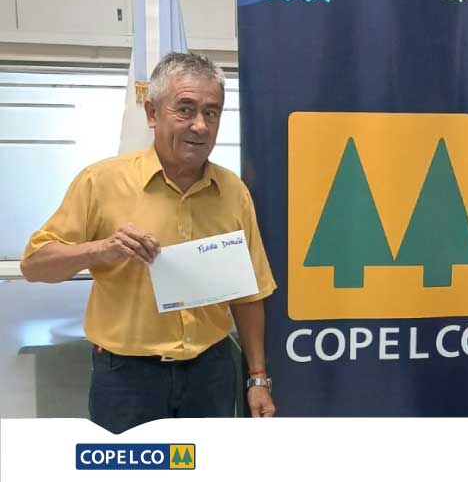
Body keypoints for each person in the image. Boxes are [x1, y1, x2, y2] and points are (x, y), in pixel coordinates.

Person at [21, 52, 277, 432]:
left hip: (211, 373)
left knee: (207, 463)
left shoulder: (233, 192)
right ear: (152, 113)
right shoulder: (100, 182)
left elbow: (249, 294)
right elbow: (34, 265)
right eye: (185, 109)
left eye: (211, 113)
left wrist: (257, 377)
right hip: (127, 378)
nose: (200, 125)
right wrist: (100, 249)